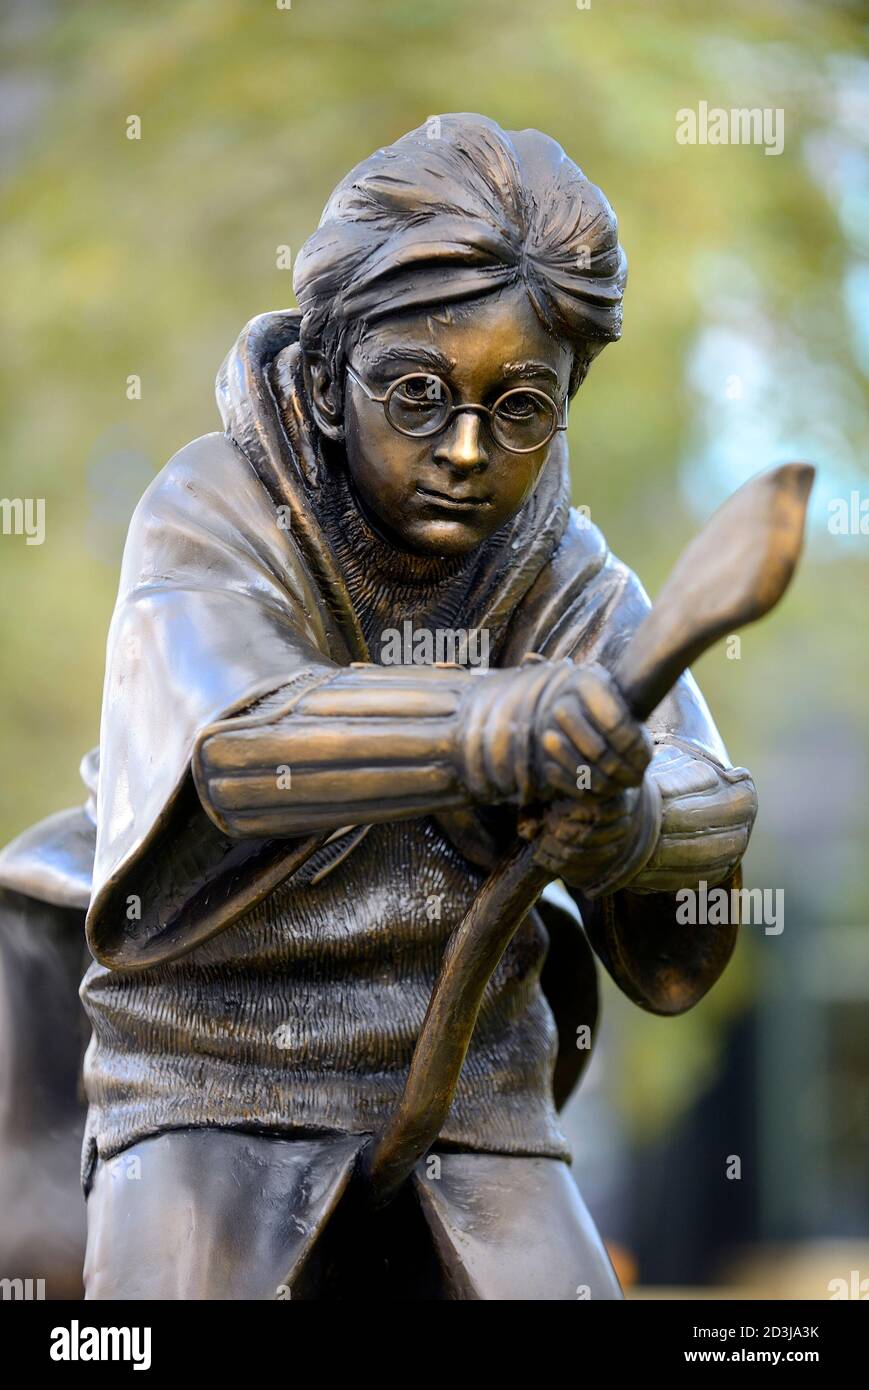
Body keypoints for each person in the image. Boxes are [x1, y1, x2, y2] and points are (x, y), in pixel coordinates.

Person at [14, 114, 760, 1300]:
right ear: (322, 378)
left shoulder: (563, 568)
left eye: (520, 408)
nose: (467, 450)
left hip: (472, 1089)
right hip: (215, 1072)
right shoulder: (214, 508)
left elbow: (702, 791)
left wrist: (624, 823)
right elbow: (241, 746)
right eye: (416, 394)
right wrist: (496, 729)